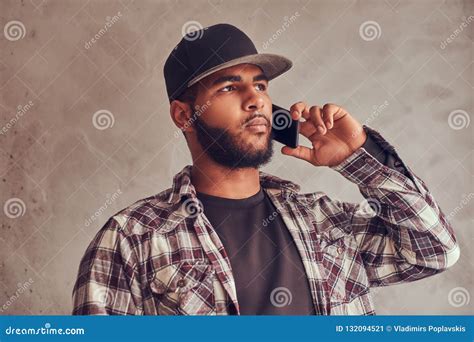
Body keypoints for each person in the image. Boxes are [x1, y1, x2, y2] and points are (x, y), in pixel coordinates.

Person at [72, 23, 460, 315]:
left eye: (260, 86)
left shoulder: (324, 221)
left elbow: (434, 251)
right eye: (229, 88)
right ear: (184, 114)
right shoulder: (133, 238)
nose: (255, 100)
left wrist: (356, 156)